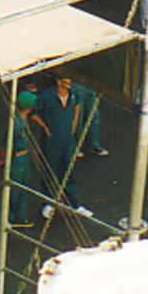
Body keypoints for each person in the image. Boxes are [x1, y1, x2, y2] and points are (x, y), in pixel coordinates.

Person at [32, 76, 92, 218]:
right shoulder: (47, 96)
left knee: (68, 168)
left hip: (67, 138)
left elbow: (77, 105)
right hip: (52, 139)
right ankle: (48, 203)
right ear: (59, 83)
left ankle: (73, 203)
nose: (69, 85)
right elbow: (32, 111)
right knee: (50, 169)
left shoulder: (73, 95)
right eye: (66, 82)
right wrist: (44, 126)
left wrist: (74, 123)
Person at [4, 90, 40, 228]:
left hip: (24, 157)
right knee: (15, 188)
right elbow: (6, 143)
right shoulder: (16, 123)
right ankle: (10, 217)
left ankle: (19, 216)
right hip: (17, 158)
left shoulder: (23, 118)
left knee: (22, 187)